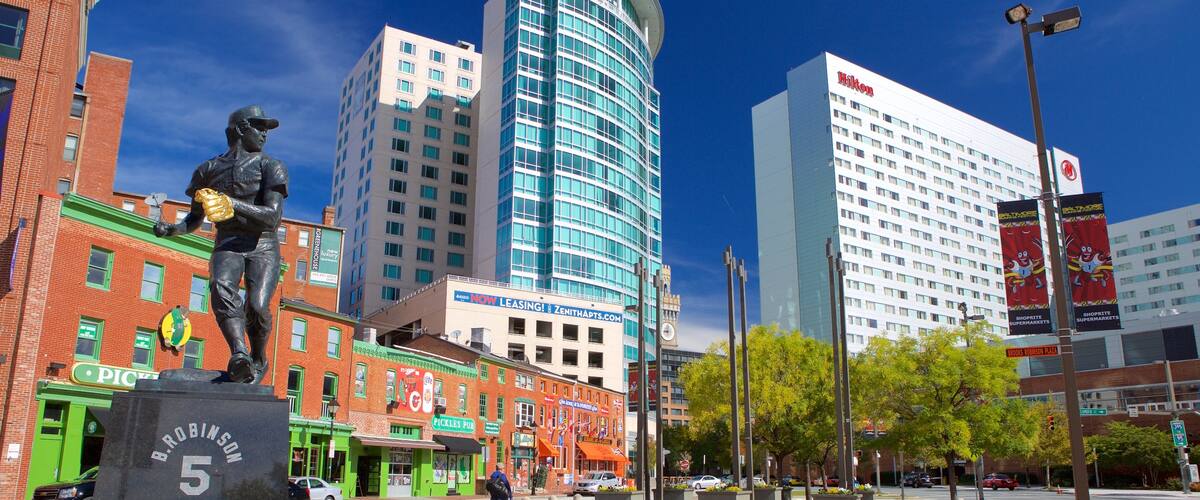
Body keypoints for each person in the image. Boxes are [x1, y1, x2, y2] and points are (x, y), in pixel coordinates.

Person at [154, 105, 288, 384]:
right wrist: (173, 230)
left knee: (258, 305)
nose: (264, 134)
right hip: (228, 242)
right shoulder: (208, 170)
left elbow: (272, 217)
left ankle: (258, 357)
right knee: (220, 287)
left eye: (266, 130)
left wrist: (231, 204)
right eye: (258, 127)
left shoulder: (270, 166)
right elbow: (194, 218)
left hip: (263, 245)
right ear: (241, 129)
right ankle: (239, 353)